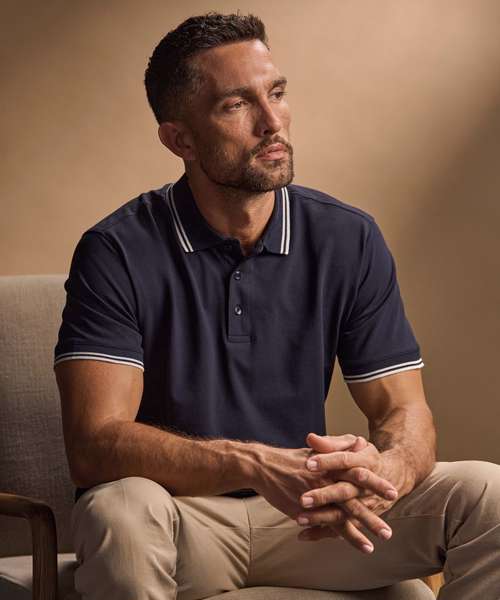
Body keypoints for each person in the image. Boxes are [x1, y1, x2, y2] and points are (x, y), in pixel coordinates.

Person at [54, 11, 500, 600]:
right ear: (179, 139)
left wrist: (387, 470)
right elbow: (94, 445)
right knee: (121, 512)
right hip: (181, 520)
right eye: (236, 105)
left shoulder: (347, 238)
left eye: (278, 93)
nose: (272, 122)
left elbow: (404, 410)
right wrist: (254, 462)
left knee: (489, 494)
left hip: (309, 518)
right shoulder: (116, 250)